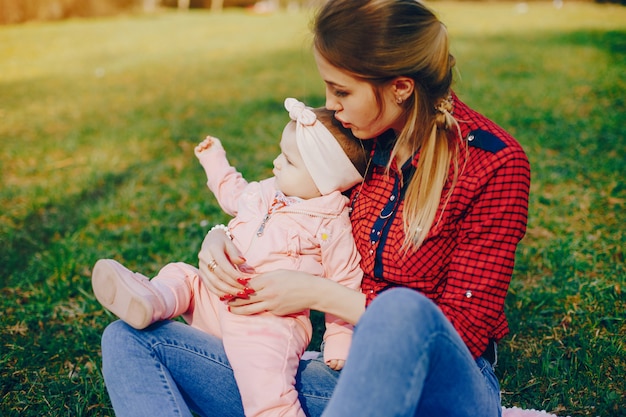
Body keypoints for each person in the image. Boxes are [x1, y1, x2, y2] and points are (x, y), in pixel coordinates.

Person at [98, 1, 531, 416]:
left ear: (401, 86)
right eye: (327, 86)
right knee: (130, 338)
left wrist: (318, 294)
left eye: (341, 90)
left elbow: (464, 331)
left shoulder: (493, 164)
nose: (331, 104)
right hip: (344, 377)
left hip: (438, 390)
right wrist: (222, 238)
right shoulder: (359, 136)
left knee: (402, 310)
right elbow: (288, 206)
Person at [93, 98, 367, 417]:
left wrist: (339, 341)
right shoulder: (267, 191)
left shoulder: (330, 224)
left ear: (325, 181)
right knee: (182, 276)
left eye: (289, 161)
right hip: (216, 296)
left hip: (265, 322)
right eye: (281, 153)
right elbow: (233, 192)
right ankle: (151, 300)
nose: (276, 163)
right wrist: (214, 160)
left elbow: (345, 280)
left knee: (265, 387)